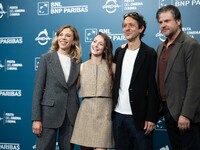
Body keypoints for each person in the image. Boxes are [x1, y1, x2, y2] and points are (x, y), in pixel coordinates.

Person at [112, 12, 159, 150]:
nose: (127, 28)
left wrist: (151, 117)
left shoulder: (150, 53)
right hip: (118, 116)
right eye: (124, 25)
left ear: (141, 29)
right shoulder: (119, 52)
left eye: (131, 25)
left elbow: (153, 87)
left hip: (139, 118)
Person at [156, 5, 200, 150]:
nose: (163, 25)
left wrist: (186, 114)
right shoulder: (160, 47)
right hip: (167, 111)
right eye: (161, 22)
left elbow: (195, 83)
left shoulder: (190, 44)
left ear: (178, 21)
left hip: (184, 114)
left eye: (167, 21)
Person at [32, 25, 82, 150]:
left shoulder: (77, 62)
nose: (63, 38)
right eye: (61, 34)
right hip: (48, 113)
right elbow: (38, 90)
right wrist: (36, 119)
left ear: (73, 41)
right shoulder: (46, 59)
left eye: (68, 35)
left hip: (70, 114)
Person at [71, 32, 115, 150]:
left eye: (100, 44)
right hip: (86, 111)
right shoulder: (82, 66)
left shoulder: (113, 67)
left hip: (105, 112)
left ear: (105, 49)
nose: (96, 45)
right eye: (94, 42)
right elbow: (72, 88)